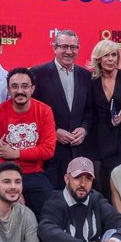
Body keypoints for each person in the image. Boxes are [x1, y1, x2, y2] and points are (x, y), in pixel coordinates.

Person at [0, 68, 56, 218]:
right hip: (6, 173)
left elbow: (48, 150)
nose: (20, 91)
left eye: (25, 86)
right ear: (8, 89)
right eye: (15, 87)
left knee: (50, 213)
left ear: (32, 88)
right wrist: (13, 186)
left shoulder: (44, 111)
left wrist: (16, 153)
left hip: (35, 174)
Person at [32, 29, 93, 190]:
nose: (69, 51)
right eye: (64, 46)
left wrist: (84, 129)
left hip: (79, 153)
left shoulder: (85, 75)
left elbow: (90, 109)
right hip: (50, 155)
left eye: (73, 47)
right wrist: (54, 131)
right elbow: (33, 113)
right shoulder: (38, 74)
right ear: (55, 48)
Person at [87, 40, 121, 199]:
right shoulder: (91, 81)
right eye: (106, 55)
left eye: (114, 55)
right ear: (98, 59)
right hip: (98, 141)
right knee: (102, 186)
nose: (111, 59)